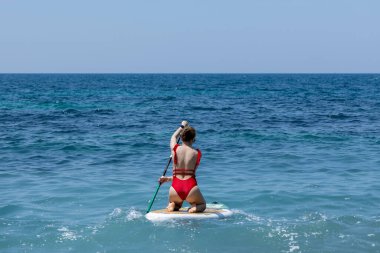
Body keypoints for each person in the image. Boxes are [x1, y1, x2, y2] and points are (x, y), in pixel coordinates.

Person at [159, 121, 206, 213]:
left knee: (176, 204)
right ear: (193, 138)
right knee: (202, 205)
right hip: (191, 188)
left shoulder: (175, 149)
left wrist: (182, 126)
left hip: (175, 188)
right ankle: (193, 209)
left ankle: (173, 204)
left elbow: (173, 137)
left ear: (181, 137)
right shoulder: (197, 153)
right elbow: (190, 174)